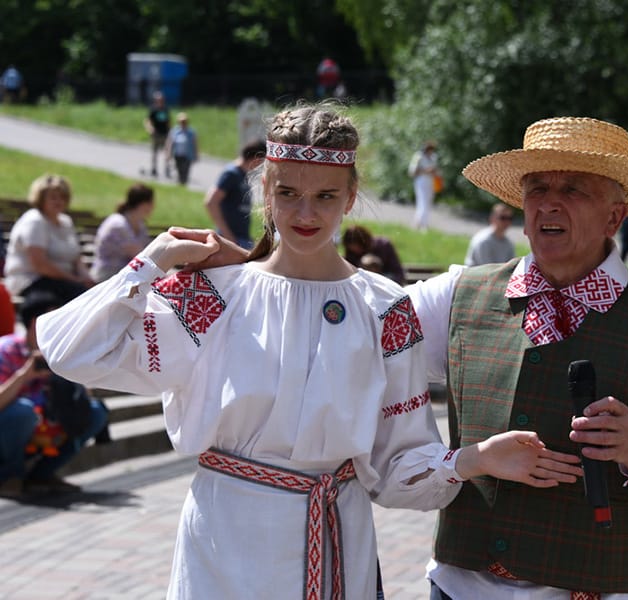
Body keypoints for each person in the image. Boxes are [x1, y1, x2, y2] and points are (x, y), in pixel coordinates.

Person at [36, 104, 550, 598]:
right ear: (264, 190)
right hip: (225, 541)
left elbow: (397, 466)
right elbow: (72, 351)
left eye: (326, 196)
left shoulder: (384, 308)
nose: (306, 213)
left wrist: (471, 460)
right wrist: (153, 258)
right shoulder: (217, 296)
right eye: (288, 193)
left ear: (350, 198)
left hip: (334, 536)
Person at [404, 117, 628, 599]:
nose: (550, 202)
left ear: (614, 217)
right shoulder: (459, 296)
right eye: (537, 187)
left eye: (575, 188)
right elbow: (361, 328)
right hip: (459, 588)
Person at [0, 291, 108, 498]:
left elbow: (84, 398)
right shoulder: (5, 350)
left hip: (45, 429)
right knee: (23, 412)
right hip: (10, 429)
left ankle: (42, 475)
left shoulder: (60, 353)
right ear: (36, 324)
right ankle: (8, 477)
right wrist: (25, 374)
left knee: (95, 412)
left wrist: (72, 377)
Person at [4, 174, 94, 302]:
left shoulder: (66, 222)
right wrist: (73, 279)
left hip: (63, 282)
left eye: (62, 197)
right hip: (31, 280)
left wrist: (87, 278)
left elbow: (76, 258)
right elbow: (39, 264)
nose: (59, 201)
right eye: (53, 197)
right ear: (41, 198)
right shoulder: (34, 221)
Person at [203, 140, 266, 249]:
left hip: (242, 237)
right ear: (256, 158)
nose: (259, 165)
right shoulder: (231, 174)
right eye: (261, 161)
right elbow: (211, 202)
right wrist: (228, 236)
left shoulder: (243, 175)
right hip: (231, 238)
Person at [90, 183, 155, 282]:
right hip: (106, 278)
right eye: (151, 202)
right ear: (144, 204)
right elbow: (141, 256)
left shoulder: (140, 225)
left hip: (126, 277)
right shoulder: (118, 225)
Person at [409, 140, 440, 231]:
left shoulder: (434, 157)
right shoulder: (418, 156)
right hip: (421, 181)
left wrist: (434, 172)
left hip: (431, 181)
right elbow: (413, 171)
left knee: (428, 202)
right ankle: (422, 224)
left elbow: (435, 169)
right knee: (422, 202)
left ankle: (420, 223)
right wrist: (426, 171)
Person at [143, 91, 171, 178]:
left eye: (161, 99)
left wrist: (170, 131)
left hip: (165, 134)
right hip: (156, 134)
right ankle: (154, 169)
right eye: (159, 100)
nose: (160, 101)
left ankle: (167, 169)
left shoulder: (165, 109)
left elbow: (168, 122)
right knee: (155, 153)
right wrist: (150, 129)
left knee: (167, 152)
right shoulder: (153, 110)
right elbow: (147, 121)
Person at [165, 112, 198, 185]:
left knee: (186, 170)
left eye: (184, 121)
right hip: (177, 154)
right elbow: (170, 143)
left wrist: (196, 155)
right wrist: (168, 153)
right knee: (179, 169)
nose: (183, 123)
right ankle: (180, 182)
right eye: (182, 121)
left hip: (187, 155)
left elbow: (195, 144)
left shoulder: (191, 132)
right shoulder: (174, 131)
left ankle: (184, 182)